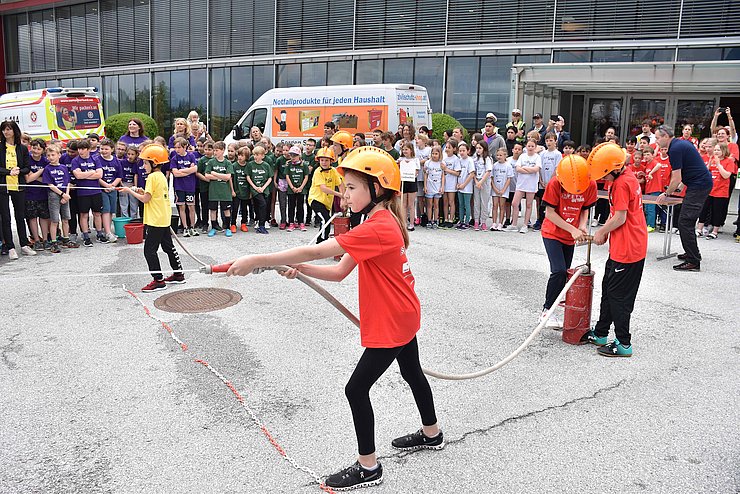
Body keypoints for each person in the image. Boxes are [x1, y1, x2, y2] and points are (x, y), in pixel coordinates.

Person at [226, 146, 442, 491]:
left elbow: (317, 249)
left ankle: (368, 468)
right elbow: (340, 272)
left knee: (356, 389)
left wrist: (257, 257)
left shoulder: (378, 227)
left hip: (393, 320)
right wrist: (297, 269)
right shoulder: (378, 220)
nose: (345, 194)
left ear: (378, 189)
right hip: (403, 313)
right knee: (412, 372)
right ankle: (432, 434)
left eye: (352, 187)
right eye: (345, 187)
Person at [585, 143, 647, 357]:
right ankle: (601, 333)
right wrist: (606, 232)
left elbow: (620, 217)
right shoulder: (625, 175)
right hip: (622, 246)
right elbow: (617, 214)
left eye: (605, 175)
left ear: (613, 169)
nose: (604, 179)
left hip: (629, 249)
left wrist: (602, 232)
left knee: (620, 297)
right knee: (609, 290)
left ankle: (624, 343)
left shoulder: (621, 183)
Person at [539, 155, 597, 329]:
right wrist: (572, 229)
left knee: (565, 275)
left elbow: (585, 208)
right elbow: (549, 213)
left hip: (570, 236)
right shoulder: (555, 183)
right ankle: (546, 312)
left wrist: (581, 226)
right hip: (552, 232)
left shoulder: (590, 184)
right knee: (558, 271)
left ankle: (559, 310)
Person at [120, 144, 184, 292]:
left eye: (145, 162)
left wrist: (129, 190)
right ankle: (178, 274)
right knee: (168, 247)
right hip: (163, 217)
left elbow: (145, 199)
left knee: (149, 250)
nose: (143, 165)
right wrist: (140, 190)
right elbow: (152, 195)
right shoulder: (160, 176)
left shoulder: (152, 177)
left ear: (154, 163)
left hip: (155, 220)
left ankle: (158, 280)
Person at [655, 126, 713, 272]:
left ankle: (693, 261)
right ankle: (691, 253)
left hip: (698, 185)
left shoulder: (675, 148)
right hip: (698, 183)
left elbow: (676, 177)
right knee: (686, 221)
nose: (656, 141)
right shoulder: (680, 144)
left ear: (666, 136)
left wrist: (667, 193)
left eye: (657, 138)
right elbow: (689, 168)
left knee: (685, 222)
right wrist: (680, 186)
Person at [0, 121, 35, 259]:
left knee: (20, 215)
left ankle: (24, 245)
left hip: (19, 186)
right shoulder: (1, 147)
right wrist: (9, 172)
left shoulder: (22, 148)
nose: (6, 132)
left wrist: (19, 171)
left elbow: (27, 167)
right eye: (3, 130)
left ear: (14, 130)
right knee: (5, 217)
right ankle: (10, 247)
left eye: (8, 129)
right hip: (3, 186)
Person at [696, 142, 737, 239]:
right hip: (710, 189)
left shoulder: (728, 161)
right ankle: (699, 229)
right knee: (704, 209)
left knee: (717, 211)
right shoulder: (712, 159)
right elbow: (706, 173)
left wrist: (718, 164)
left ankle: (715, 231)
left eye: (718, 150)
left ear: (724, 151)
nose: (716, 152)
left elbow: (726, 175)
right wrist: (710, 164)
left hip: (721, 191)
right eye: (715, 150)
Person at [71, 138, 104, 246]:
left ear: (88, 149)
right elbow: (78, 176)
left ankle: (99, 234)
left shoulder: (95, 159)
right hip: (83, 193)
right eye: (79, 149)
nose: (81, 151)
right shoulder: (75, 161)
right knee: (84, 214)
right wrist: (91, 172)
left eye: (83, 148)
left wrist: (86, 174)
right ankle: (85, 236)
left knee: (97, 213)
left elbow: (99, 175)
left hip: (95, 191)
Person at [307, 147, 343, 243]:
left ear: (331, 161)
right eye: (322, 160)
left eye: (326, 160)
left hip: (326, 202)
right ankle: (321, 242)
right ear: (318, 160)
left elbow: (340, 184)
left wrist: (343, 196)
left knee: (326, 221)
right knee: (325, 220)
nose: (324, 162)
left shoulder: (334, 171)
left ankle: (323, 241)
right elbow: (323, 188)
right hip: (316, 200)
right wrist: (339, 195)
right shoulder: (317, 171)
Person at [42, 143, 74, 252]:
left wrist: (67, 194)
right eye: (49, 155)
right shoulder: (47, 169)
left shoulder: (64, 167)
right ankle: (54, 242)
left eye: (53, 155)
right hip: (54, 195)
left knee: (65, 219)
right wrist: (62, 194)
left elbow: (68, 182)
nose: (51, 157)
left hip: (65, 195)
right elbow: (50, 185)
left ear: (59, 155)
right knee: (55, 220)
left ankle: (66, 239)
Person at [507, 138, 541, 234]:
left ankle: (525, 225)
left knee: (529, 205)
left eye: (532, 146)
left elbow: (536, 169)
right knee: (514, 203)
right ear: (526, 146)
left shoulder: (537, 157)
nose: (530, 148)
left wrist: (525, 168)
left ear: (535, 147)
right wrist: (529, 169)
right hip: (521, 183)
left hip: (531, 184)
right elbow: (518, 169)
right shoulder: (522, 156)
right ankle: (514, 224)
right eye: (529, 146)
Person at [170, 137, 199, 237]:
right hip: (179, 187)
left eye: (179, 147)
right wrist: (187, 170)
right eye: (175, 147)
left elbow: (195, 169)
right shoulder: (174, 158)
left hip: (190, 186)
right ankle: (185, 227)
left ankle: (192, 227)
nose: (177, 149)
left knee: (191, 206)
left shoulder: (191, 156)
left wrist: (181, 171)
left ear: (185, 147)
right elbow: (175, 173)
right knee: (181, 206)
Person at [205, 141, 235, 237]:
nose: (215, 152)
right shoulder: (211, 162)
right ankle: (213, 227)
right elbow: (207, 175)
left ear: (222, 150)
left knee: (226, 210)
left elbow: (228, 177)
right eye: (214, 150)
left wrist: (215, 173)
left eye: (217, 150)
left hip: (225, 191)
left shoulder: (227, 163)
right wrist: (220, 176)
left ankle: (227, 228)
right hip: (213, 191)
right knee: (213, 210)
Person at [534, 132, 563, 231]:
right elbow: (539, 167)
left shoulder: (558, 154)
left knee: (550, 203)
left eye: (551, 140)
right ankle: (540, 220)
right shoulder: (542, 154)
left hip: (552, 183)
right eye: (547, 140)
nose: (549, 142)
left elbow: (557, 168)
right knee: (540, 202)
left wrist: (550, 182)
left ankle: (550, 221)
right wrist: (541, 180)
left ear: (555, 141)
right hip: (542, 182)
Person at [96, 138, 122, 242]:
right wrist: (105, 185)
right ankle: (107, 232)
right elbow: (97, 176)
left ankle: (108, 230)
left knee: (111, 210)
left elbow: (119, 175)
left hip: (113, 188)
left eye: (106, 149)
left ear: (112, 149)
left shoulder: (116, 160)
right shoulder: (97, 160)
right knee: (105, 210)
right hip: (102, 189)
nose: (103, 151)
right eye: (102, 149)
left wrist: (113, 185)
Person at [26, 138, 50, 251]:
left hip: (43, 194)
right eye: (34, 148)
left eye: (38, 149)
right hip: (30, 194)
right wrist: (41, 172)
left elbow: (47, 180)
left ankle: (45, 239)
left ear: (43, 150)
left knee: (44, 217)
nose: (35, 151)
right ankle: (36, 240)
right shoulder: (27, 160)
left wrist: (35, 175)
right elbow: (28, 179)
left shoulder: (46, 161)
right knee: (32, 218)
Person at [246, 146, 273, 234]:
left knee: (262, 206)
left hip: (264, 189)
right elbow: (248, 177)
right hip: (255, 190)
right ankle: (261, 225)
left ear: (262, 156)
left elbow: (270, 178)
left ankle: (262, 224)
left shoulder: (266, 165)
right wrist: (255, 187)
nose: (255, 156)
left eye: (257, 155)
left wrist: (263, 187)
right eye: (254, 154)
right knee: (262, 204)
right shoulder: (250, 165)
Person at [284, 145, 309, 232]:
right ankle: (291, 223)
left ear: (299, 155)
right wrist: (292, 187)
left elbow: (306, 176)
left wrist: (301, 187)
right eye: (291, 155)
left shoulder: (304, 165)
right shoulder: (288, 165)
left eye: (295, 155)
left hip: (301, 189)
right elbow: (287, 176)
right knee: (291, 206)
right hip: (291, 190)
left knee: (300, 206)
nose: (293, 157)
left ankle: (301, 222)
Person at [398, 143, 420, 231]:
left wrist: (410, 173)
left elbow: (416, 172)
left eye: (406, 149)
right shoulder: (401, 159)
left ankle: (411, 223)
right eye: (403, 150)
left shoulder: (415, 160)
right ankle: (403, 223)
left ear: (411, 150)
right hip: (403, 182)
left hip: (412, 182)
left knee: (411, 204)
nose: (405, 151)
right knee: (403, 204)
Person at [490, 148, 513, 231]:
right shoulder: (494, 165)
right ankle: (494, 223)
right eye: (497, 155)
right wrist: (494, 188)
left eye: (501, 155)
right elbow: (491, 178)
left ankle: (500, 223)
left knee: (502, 206)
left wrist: (503, 189)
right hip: (495, 189)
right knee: (495, 205)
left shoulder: (508, 166)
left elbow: (509, 179)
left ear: (505, 155)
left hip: (503, 189)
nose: (499, 157)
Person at [471, 142, 492, 231]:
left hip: (485, 182)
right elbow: (473, 171)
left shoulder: (487, 159)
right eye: (477, 148)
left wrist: (481, 182)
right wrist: (476, 181)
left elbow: (488, 171)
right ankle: (476, 220)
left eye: (480, 148)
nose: (478, 150)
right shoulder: (474, 159)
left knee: (484, 202)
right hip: (477, 181)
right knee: (476, 202)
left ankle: (483, 221)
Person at [440, 139, 460, 228]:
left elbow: (457, 173)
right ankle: (445, 219)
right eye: (446, 147)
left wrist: (446, 169)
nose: (447, 149)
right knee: (445, 201)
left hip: (452, 183)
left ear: (454, 149)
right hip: (444, 183)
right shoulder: (443, 158)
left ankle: (451, 219)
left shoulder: (456, 159)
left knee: (451, 201)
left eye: (449, 147)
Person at [231, 146, 251, 233]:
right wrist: (232, 190)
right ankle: (233, 224)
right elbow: (230, 179)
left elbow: (251, 179)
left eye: (242, 155)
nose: (239, 157)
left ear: (246, 157)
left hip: (246, 191)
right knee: (235, 208)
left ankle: (243, 223)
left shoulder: (249, 166)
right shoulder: (234, 165)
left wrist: (250, 192)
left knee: (244, 208)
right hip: (236, 191)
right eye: (239, 155)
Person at [423, 146, 444, 229]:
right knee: (429, 204)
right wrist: (425, 186)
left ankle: (435, 220)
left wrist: (442, 186)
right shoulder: (428, 163)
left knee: (436, 205)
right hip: (429, 186)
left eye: (436, 154)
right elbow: (425, 175)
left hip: (437, 186)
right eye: (433, 153)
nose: (434, 155)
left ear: (439, 154)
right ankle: (429, 220)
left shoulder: (442, 163)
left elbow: (443, 176)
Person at [455, 142, 475, 229]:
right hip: (460, 186)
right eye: (460, 151)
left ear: (468, 151)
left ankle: (467, 222)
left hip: (467, 187)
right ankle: (461, 220)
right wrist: (458, 184)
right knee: (461, 204)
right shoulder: (459, 160)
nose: (462, 152)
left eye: (463, 150)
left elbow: (472, 174)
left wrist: (464, 184)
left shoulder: (470, 160)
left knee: (467, 204)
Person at [196, 141, 215, 233]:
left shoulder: (216, 159)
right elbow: (197, 172)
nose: (207, 151)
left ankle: (215, 223)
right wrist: (205, 179)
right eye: (206, 149)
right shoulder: (202, 160)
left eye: (209, 149)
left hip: (214, 187)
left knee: (214, 206)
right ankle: (205, 223)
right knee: (204, 206)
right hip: (204, 186)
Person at [120, 145, 140, 218]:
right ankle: (125, 220)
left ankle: (133, 219)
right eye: (128, 154)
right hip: (124, 184)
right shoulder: (122, 162)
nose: (130, 156)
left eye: (132, 154)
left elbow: (136, 175)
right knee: (124, 204)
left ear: (136, 155)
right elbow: (120, 175)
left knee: (134, 204)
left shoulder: (136, 163)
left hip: (132, 185)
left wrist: (135, 186)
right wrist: (122, 185)